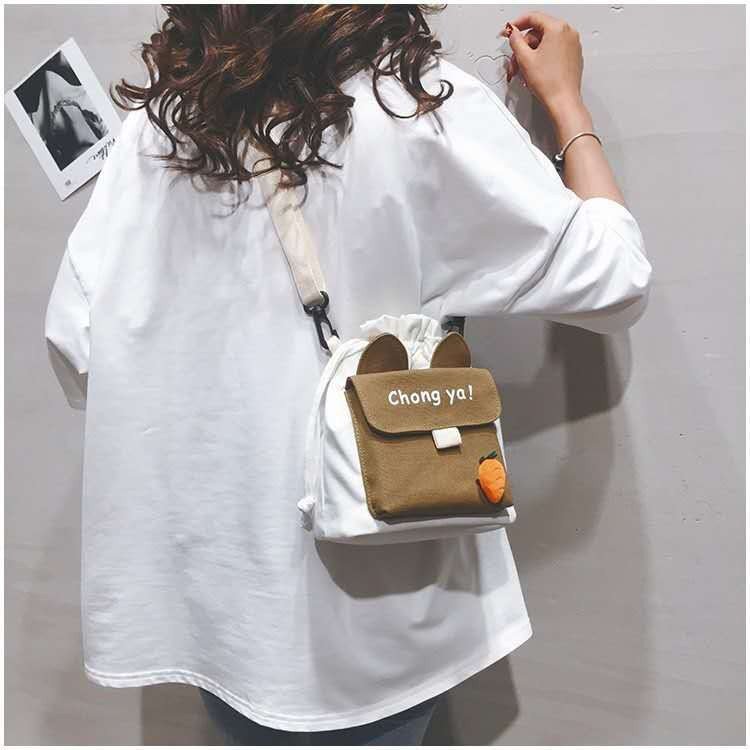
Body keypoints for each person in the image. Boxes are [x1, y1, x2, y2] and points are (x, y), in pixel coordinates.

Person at [43, 6, 652, 746]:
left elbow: (77, 339)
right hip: (373, 610)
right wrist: (566, 106)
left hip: (221, 620)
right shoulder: (414, 106)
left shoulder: (160, 130)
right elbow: (615, 279)